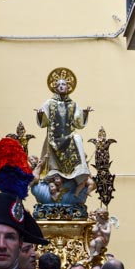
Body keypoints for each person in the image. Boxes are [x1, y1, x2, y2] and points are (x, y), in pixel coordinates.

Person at [36, 67, 95, 199]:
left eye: (64, 84)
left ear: (68, 87)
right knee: (53, 164)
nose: (62, 86)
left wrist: (84, 113)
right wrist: (40, 115)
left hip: (68, 138)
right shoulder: (49, 103)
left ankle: (79, 173)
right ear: (55, 88)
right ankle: (56, 180)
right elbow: (43, 122)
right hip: (53, 140)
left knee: (77, 138)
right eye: (59, 85)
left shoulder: (73, 105)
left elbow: (78, 123)